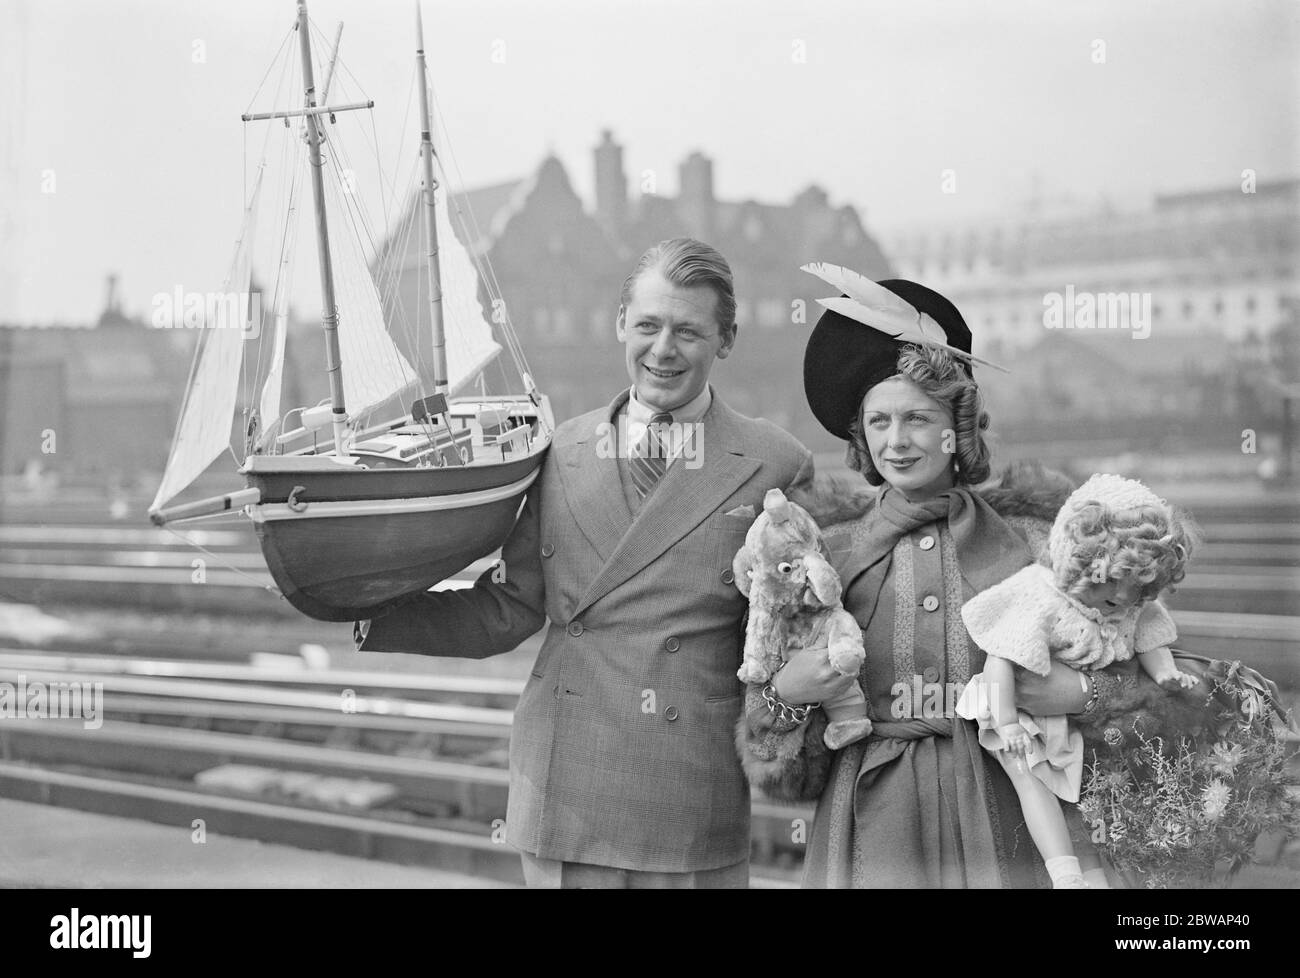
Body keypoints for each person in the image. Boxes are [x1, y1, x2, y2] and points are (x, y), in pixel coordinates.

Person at [356, 237, 812, 888]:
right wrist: (368, 610)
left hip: (690, 790)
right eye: (648, 325)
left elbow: (794, 627)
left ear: (726, 339)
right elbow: (508, 608)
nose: (663, 349)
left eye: (688, 331)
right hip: (566, 782)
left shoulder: (776, 462)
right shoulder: (558, 450)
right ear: (620, 323)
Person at [738, 271, 1128, 888]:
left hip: (1009, 818)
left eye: (918, 418)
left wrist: (1078, 695)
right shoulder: (823, 559)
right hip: (869, 832)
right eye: (879, 422)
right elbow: (778, 765)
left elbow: (1134, 675)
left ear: (958, 428)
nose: (897, 442)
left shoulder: (1038, 544)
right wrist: (784, 696)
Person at [956, 473, 1200, 888]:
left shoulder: (1131, 601)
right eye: (1109, 589)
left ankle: (1092, 875)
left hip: (1075, 713)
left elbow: (1149, 638)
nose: (1121, 602)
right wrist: (1009, 723)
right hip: (1013, 704)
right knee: (1030, 776)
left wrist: (1166, 673)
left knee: (1079, 792)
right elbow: (1001, 659)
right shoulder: (1040, 594)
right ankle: (1064, 874)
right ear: (1079, 561)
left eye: (1134, 591)